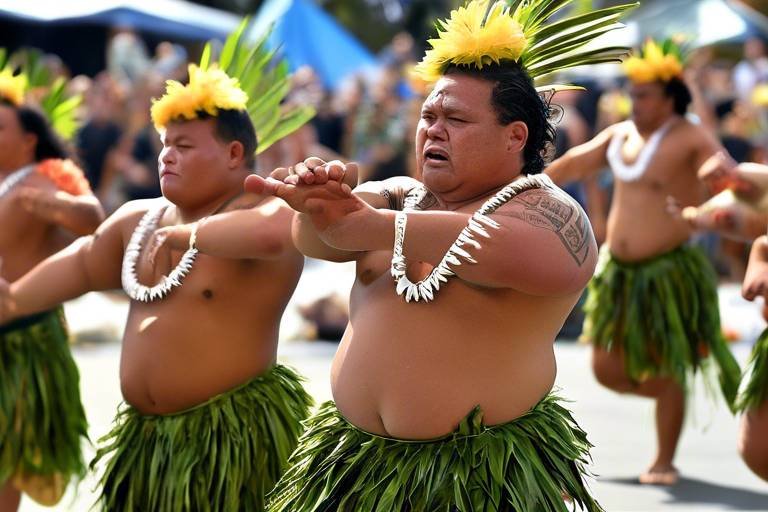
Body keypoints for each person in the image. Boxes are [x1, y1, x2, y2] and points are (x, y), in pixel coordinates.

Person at [247, 1, 634, 509]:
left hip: (474, 480)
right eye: (428, 115)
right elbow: (318, 242)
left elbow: (547, 262)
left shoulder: (546, 210)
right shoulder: (398, 193)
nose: (433, 128)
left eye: (456, 118)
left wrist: (375, 226)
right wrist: (318, 208)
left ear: (514, 136)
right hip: (352, 468)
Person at [0, 63, 312, 511]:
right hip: (148, 446)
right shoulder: (137, 219)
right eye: (165, 144)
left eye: (184, 146)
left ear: (234, 153)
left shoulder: (266, 208)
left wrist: (190, 235)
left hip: (229, 442)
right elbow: (86, 264)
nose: (166, 156)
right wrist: (12, 301)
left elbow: (273, 236)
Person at [545, 39, 741, 485]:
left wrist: (719, 184)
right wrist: (525, 184)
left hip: (668, 272)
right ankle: (667, 390)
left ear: (670, 96)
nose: (634, 102)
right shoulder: (619, 136)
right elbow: (574, 163)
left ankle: (664, 458)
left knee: (665, 360)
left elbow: (722, 169)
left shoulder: (688, 135)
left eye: (644, 95)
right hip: (619, 274)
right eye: (632, 95)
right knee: (605, 368)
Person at [0, 63, 104, 509]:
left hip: (23, 340)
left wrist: (50, 202)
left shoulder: (43, 176)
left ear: (28, 139)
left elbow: (92, 219)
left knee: (6, 458)